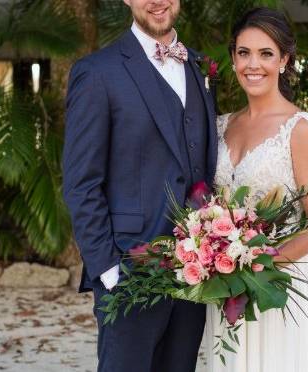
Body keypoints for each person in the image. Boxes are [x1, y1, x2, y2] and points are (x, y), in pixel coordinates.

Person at [200, 7, 308, 372]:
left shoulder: (299, 128)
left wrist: (263, 263)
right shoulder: (220, 125)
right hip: (229, 290)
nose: (253, 64)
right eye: (244, 53)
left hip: (284, 287)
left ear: (284, 60)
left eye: (266, 54)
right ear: (232, 58)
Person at [62, 0, 217, 371]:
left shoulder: (197, 65)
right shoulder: (98, 72)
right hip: (130, 270)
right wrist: (108, 271)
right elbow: (81, 181)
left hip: (194, 274)